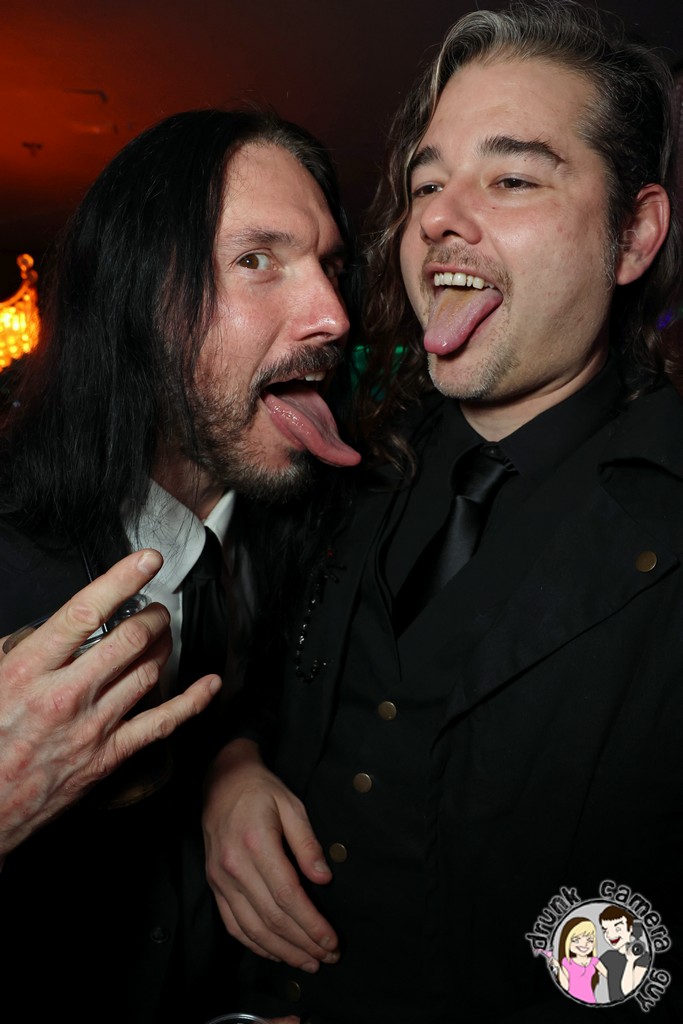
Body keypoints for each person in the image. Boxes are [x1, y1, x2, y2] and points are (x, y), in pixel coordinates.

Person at [202, 2, 683, 1022]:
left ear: (632, 234)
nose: (435, 219)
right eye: (426, 184)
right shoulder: (351, 461)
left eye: (511, 180)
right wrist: (229, 771)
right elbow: (255, 676)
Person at [0, 107, 359, 1024]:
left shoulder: (309, 535)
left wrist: (229, 762)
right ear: (138, 300)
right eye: (257, 259)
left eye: (329, 264)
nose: (332, 315)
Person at [599, 906, 651, 1002]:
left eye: (618, 929)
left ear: (630, 929)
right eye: (605, 930)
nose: (610, 935)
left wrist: (630, 961)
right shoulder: (608, 956)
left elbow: (627, 992)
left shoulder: (643, 957)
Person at [551, 917, 607, 1004]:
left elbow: (610, 976)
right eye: (576, 940)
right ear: (567, 941)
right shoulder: (566, 962)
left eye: (590, 940)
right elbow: (565, 987)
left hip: (590, 1001)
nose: (584, 944)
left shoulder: (594, 961)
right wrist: (558, 967)